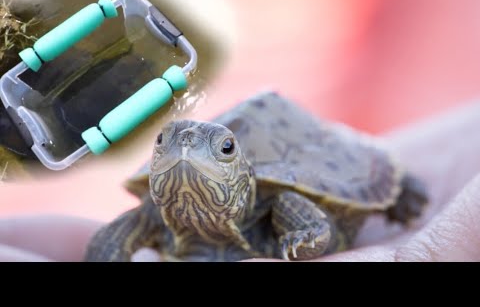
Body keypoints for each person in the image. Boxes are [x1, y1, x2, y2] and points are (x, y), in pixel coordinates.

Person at [1, 97, 480, 262]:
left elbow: (317, 230)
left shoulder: (274, 203)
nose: (185, 153)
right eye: (165, 144)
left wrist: (308, 237)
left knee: (399, 189)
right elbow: (109, 241)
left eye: (222, 151)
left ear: (239, 168)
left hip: (299, 155)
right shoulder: (151, 214)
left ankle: (402, 180)